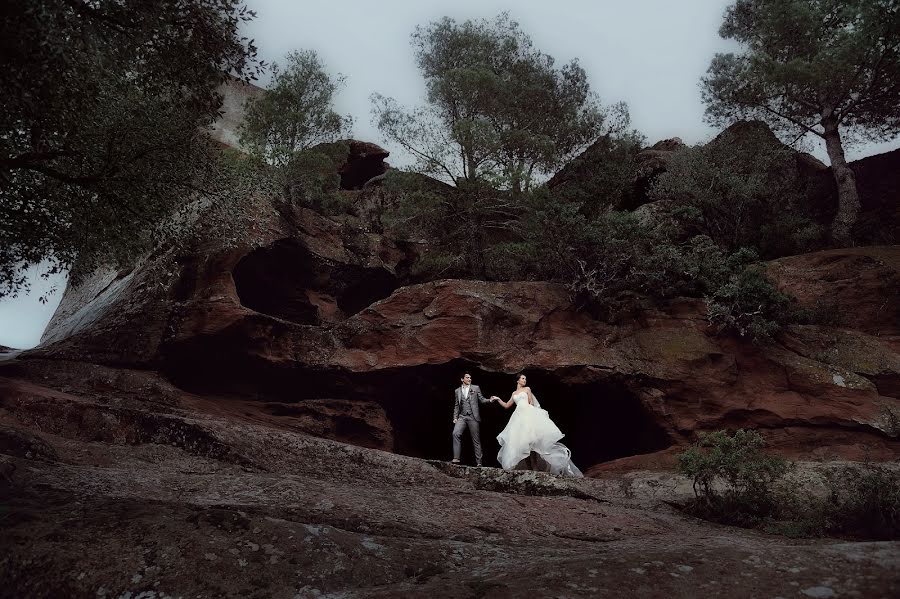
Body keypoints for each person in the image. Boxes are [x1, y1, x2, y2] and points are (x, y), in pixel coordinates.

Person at [495, 374, 582, 477]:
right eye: (523, 378)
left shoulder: (527, 389)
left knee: (532, 441)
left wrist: (530, 414)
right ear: (517, 380)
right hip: (517, 417)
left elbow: (531, 402)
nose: (524, 380)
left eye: (525, 378)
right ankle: (529, 467)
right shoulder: (514, 393)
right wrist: (497, 399)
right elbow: (506, 405)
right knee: (521, 442)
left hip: (527, 413)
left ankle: (535, 466)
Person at [452, 372, 499, 467]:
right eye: (467, 377)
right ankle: (456, 458)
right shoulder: (457, 391)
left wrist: (489, 400)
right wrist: (455, 417)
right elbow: (457, 405)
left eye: (470, 377)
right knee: (455, 433)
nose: (469, 379)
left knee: (476, 439)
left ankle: (479, 462)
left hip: (473, 416)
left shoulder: (475, 388)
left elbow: (481, 399)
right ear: (462, 379)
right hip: (462, 416)